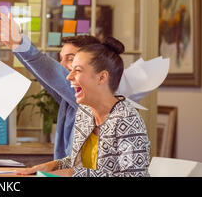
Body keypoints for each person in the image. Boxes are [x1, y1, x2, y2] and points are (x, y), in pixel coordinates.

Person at [0, 0, 148, 159]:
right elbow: (46, 73)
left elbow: (50, 71)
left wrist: (15, 38)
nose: (66, 72)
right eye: (63, 60)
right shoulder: (76, 102)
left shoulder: (118, 115)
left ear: (100, 74)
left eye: (73, 61)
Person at [17, 37, 150, 176]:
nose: (69, 77)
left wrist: (72, 173)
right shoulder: (85, 112)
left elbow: (134, 175)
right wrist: (53, 165)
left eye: (78, 70)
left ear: (102, 77)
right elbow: (78, 162)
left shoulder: (127, 120)